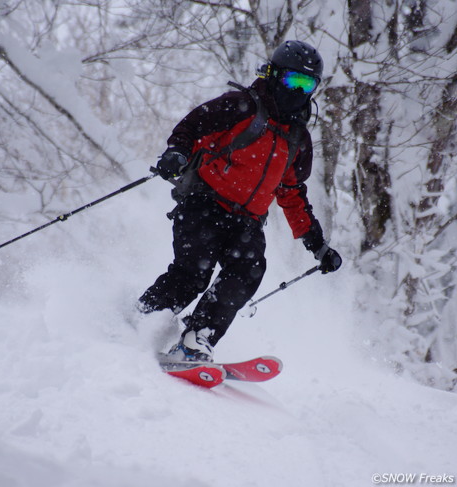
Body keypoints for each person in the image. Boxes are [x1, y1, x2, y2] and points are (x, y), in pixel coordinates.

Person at [138, 40, 342, 362]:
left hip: (246, 221)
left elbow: (291, 194)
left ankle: (196, 339)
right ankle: (143, 320)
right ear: (274, 75)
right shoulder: (240, 106)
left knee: (247, 271)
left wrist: (317, 244)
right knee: (194, 272)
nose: (299, 90)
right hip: (204, 202)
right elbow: (192, 127)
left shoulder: (297, 139)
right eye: (293, 80)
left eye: (308, 84)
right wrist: (177, 152)